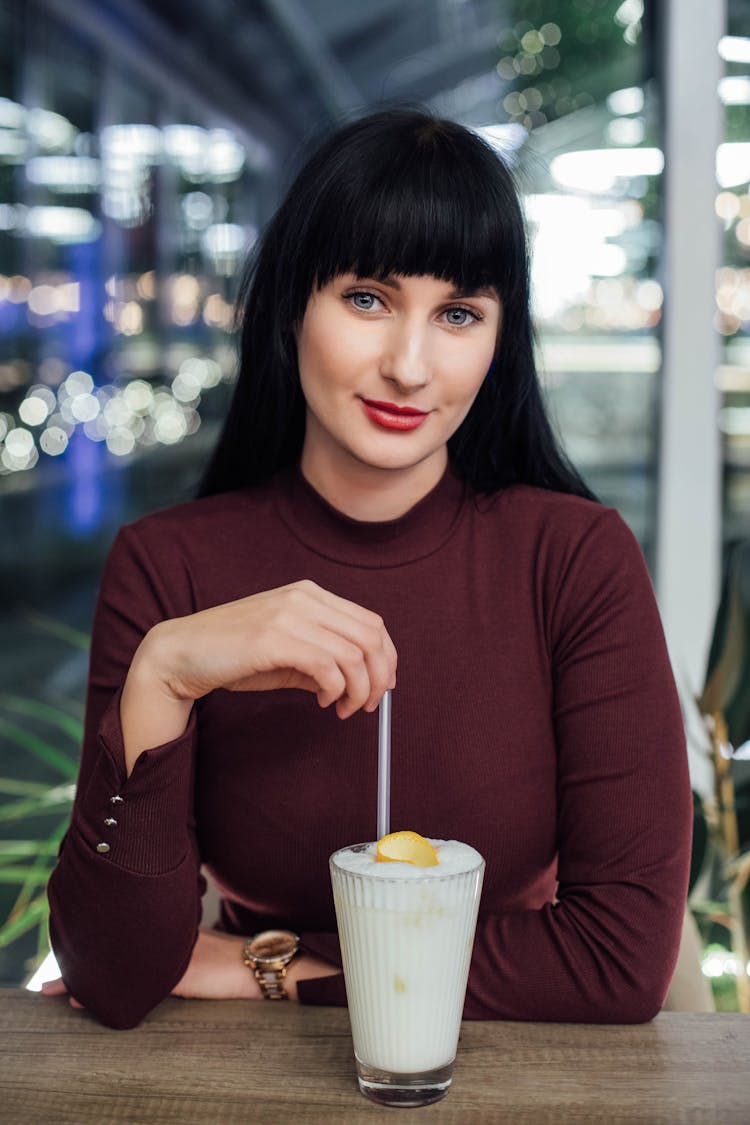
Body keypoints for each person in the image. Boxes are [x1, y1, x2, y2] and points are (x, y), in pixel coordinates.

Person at [43, 107, 692, 1030]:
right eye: (367, 299)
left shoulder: (575, 560)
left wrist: (277, 965)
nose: (409, 365)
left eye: (459, 313)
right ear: (291, 306)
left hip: (514, 1072)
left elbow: (615, 960)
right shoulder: (169, 567)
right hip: (238, 1084)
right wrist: (165, 673)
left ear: (499, 340)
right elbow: (114, 976)